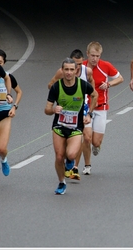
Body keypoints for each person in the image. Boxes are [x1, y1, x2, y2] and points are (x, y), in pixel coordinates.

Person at [45, 57, 98, 194]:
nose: (68, 72)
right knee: (58, 157)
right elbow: (47, 109)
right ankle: (61, 182)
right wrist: (53, 110)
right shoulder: (56, 87)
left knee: (71, 153)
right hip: (59, 126)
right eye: (66, 69)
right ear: (62, 71)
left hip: (75, 127)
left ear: (76, 71)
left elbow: (95, 95)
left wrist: (89, 114)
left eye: (71, 70)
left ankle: (70, 161)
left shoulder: (83, 85)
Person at [81, 42, 124, 175]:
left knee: (95, 141)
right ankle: (87, 165)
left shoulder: (105, 66)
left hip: (101, 107)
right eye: (92, 55)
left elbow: (120, 78)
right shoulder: (81, 67)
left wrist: (109, 84)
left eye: (97, 56)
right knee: (87, 138)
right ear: (87, 54)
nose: (95, 59)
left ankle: (97, 145)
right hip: (85, 107)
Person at [0, 50, 17, 186]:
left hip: (5, 112)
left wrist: (11, 99)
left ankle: (4, 159)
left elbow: (19, 91)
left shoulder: (4, 75)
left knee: (1, 148)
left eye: (0, 62)